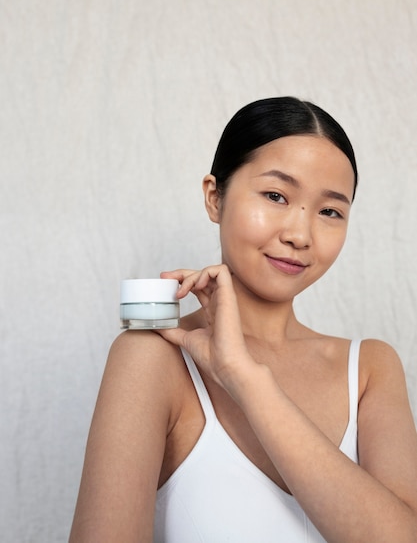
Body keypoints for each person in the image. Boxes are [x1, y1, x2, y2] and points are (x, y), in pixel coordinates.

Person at [69, 97, 417, 542]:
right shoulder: (152, 357)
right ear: (215, 198)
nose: (299, 234)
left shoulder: (370, 368)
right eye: (276, 196)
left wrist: (244, 378)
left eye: (330, 211)